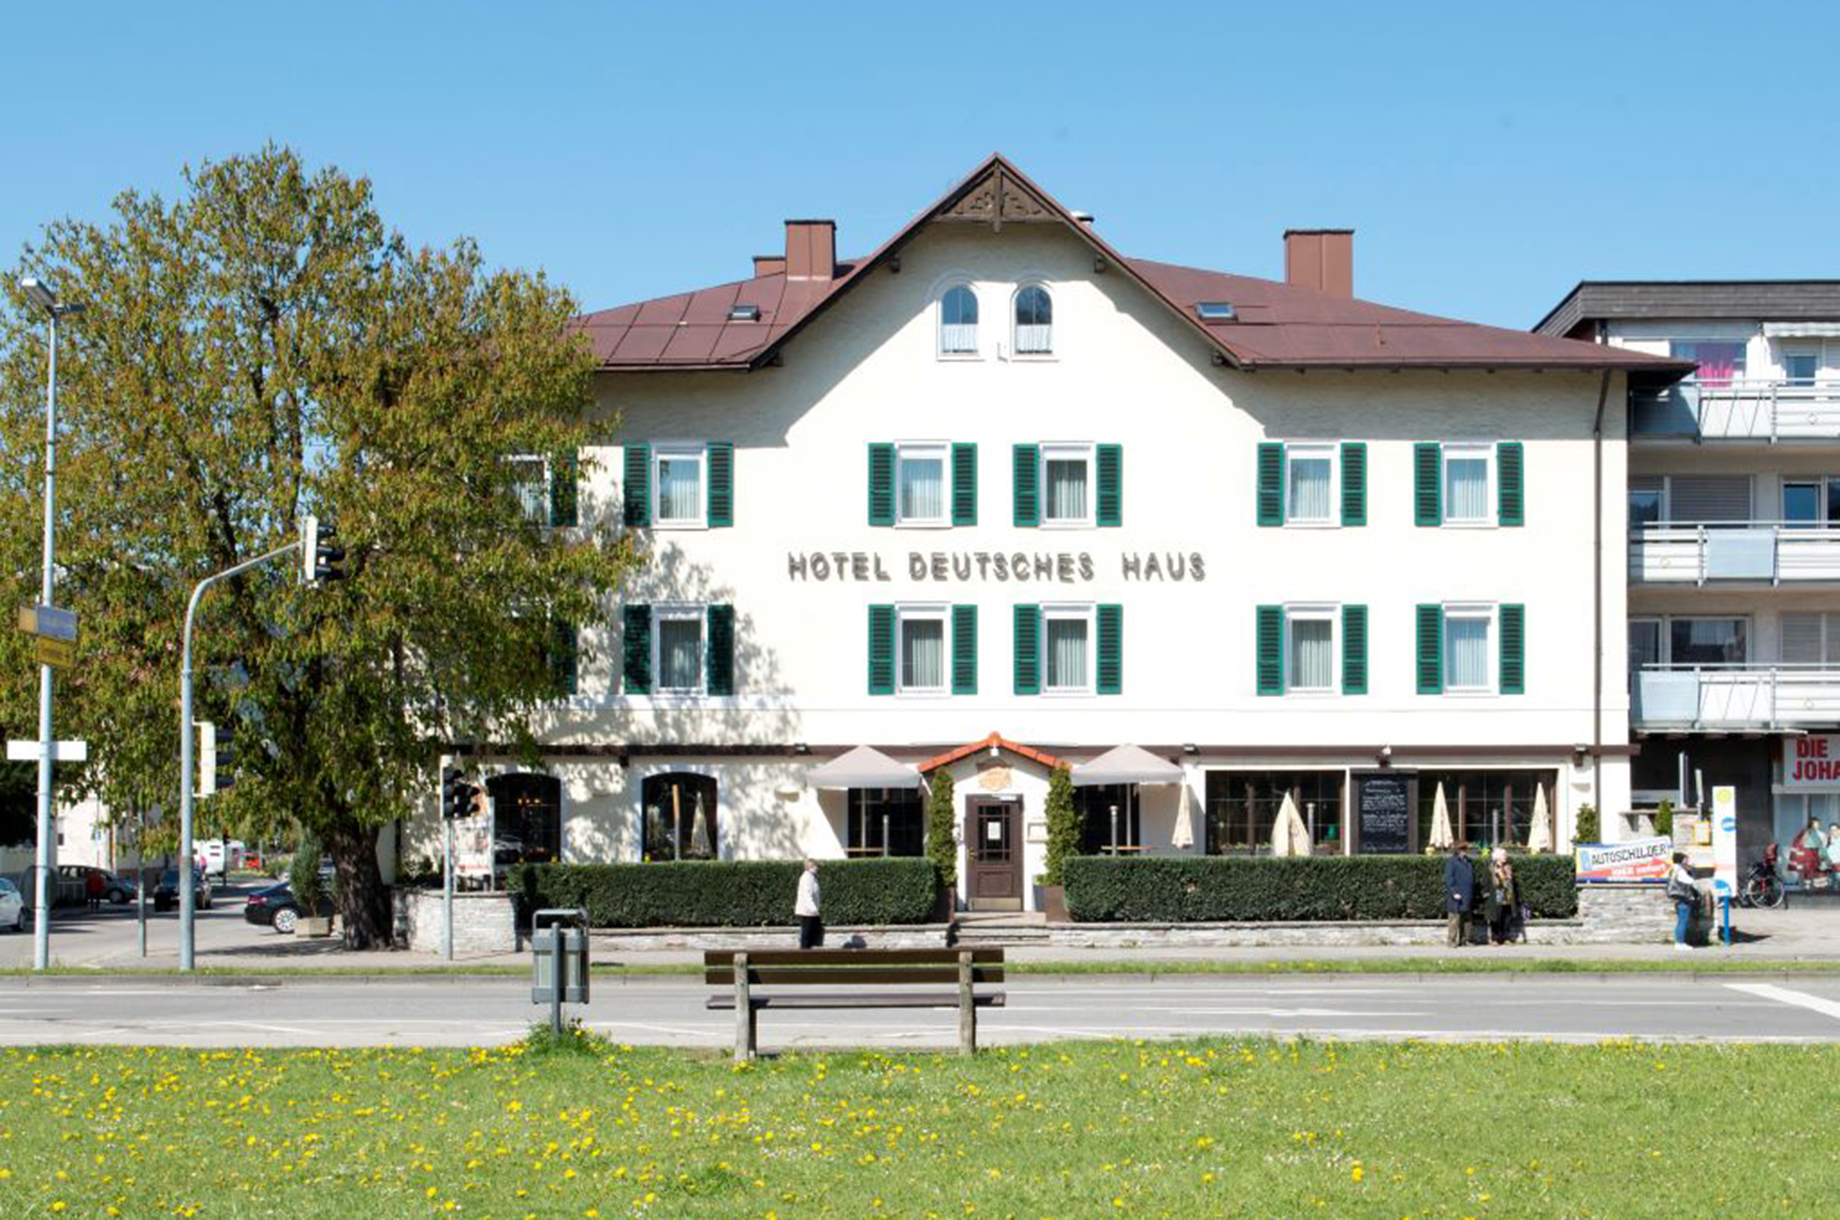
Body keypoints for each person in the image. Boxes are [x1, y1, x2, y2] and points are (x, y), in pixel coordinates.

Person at [1484, 847, 1520, 946]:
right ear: (1497, 857)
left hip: (1507, 895)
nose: (1506, 856)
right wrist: (1486, 894)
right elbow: (1486, 882)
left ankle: (1506, 937)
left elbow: (1512, 882)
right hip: (1496, 895)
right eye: (1504, 855)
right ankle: (1495, 938)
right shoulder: (1491, 868)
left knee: (1507, 917)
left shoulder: (1508, 867)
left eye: (1505, 855)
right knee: (1496, 917)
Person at [1444, 841, 1475, 948]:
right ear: (1457, 850)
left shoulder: (1469, 861)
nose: (1465, 851)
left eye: (1466, 849)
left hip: (1467, 894)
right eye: (1463, 849)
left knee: (1467, 920)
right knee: (1454, 919)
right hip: (1457, 895)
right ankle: (1451, 941)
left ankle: (1467, 940)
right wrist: (1454, 892)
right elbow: (1449, 879)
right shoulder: (1451, 862)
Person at [1665, 851, 1699, 950]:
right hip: (1683, 898)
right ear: (1681, 860)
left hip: (1678, 898)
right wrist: (1692, 870)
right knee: (1682, 921)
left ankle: (1680, 942)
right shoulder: (1680, 871)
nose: (1687, 861)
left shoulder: (1674, 869)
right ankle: (1680, 943)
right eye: (1685, 859)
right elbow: (1690, 881)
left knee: (1681, 921)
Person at [795, 858, 823, 950]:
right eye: (815, 866)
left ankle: (808, 951)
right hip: (807, 911)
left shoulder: (812, 877)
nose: (817, 868)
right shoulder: (806, 878)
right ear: (810, 867)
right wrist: (813, 909)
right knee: (806, 933)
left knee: (811, 933)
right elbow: (807, 895)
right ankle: (804, 952)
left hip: (811, 911)